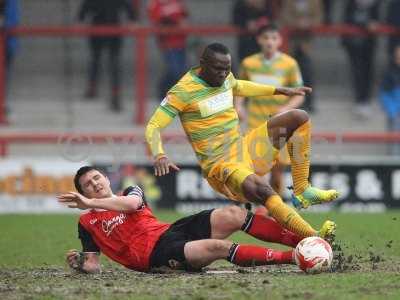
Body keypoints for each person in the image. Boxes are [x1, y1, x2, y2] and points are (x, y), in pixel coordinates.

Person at [145, 43, 339, 244]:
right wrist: (159, 154)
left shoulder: (226, 78)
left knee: (299, 117)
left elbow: (239, 86)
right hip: (221, 165)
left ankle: (302, 190)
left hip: (246, 148)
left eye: (227, 69)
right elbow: (153, 126)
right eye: (217, 69)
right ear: (202, 64)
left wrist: (279, 90)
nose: (223, 74)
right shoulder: (182, 91)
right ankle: (314, 237)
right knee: (265, 191)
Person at [58, 166, 304, 273]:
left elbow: (132, 205)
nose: (95, 184)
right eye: (88, 185)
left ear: (106, 178)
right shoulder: (86, 223)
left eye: (97, 177)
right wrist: (80, 263)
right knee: (218, 248)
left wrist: (90, 203)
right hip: (154, 255)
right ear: (83, 192)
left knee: (234, 213)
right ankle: (296, 258)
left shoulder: (131, 192)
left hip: (170, 232)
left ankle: (304, 240)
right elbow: (92, 263)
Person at [235, 24, 304, 196]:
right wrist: (238, 105)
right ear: (259, 40)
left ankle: (275, 210)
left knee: (277, 170)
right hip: (255, 123)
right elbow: (240, 88)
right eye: (266, 38)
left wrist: (286, 108)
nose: (269, 42)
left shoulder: (289, 64)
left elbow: (300, 94)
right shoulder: (249, 63)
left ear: (280, 41)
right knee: (253, 171)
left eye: (273, 38)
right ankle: (255, 213)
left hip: (280, 124)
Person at [78, 0, 137, 112]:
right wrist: (132, 19)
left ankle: (113, 94)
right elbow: (85, 7)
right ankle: (94, 89)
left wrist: (132, 19)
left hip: (111, 29)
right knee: (97, 61)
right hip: (101, 28)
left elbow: (128, 7)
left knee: (111, 63)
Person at [280, 0, 323, 113]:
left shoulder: (315, 2)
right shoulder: (288, 2)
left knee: (307, 73)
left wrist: (308, 23)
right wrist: (296, 23)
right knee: (291, 74)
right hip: (291, 43)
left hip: (307, 43)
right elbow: (284, 16)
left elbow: (319, 17)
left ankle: (309, 102)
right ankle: (292, 102)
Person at [341, 0, 381, 119]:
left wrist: (373, 25)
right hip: (353, 43)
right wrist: (365, 24)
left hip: (369, 44)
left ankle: (366, 100)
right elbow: (348, 20)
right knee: (357, 72)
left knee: (368, 72)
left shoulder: (375, 4)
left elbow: (378, 20)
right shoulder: (350, 4)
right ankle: (359, 100)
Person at [148, 0, 188, 99]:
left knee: (179, 68)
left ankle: (166, 92)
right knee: (175, 69)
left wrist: (182, 23)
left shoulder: (177, 2)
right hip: (168, 43)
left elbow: (185, 16)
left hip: (181, 41)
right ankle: (163, 92)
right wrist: (172, 23)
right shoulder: (155, 3)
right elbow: (156, 21)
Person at [379, 44, 400, 155]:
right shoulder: (389, 74)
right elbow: (384, 94)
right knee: (394, 141)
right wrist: (393, 111)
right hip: (396, 114)